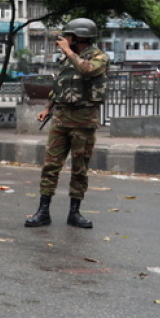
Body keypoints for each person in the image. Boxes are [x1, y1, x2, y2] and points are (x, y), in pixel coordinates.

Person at [24, 18, 110, 229]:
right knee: (50, 166)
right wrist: (47, 108)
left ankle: (75, 212)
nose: (64, 39)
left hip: (83, 121)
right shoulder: (66, 60)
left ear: (79, 37)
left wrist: (68, 52)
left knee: (79, 169)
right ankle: (43, 211)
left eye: (68, 36)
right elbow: (59, 86)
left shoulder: (99, 57)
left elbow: (87, 70)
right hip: (61, 119)